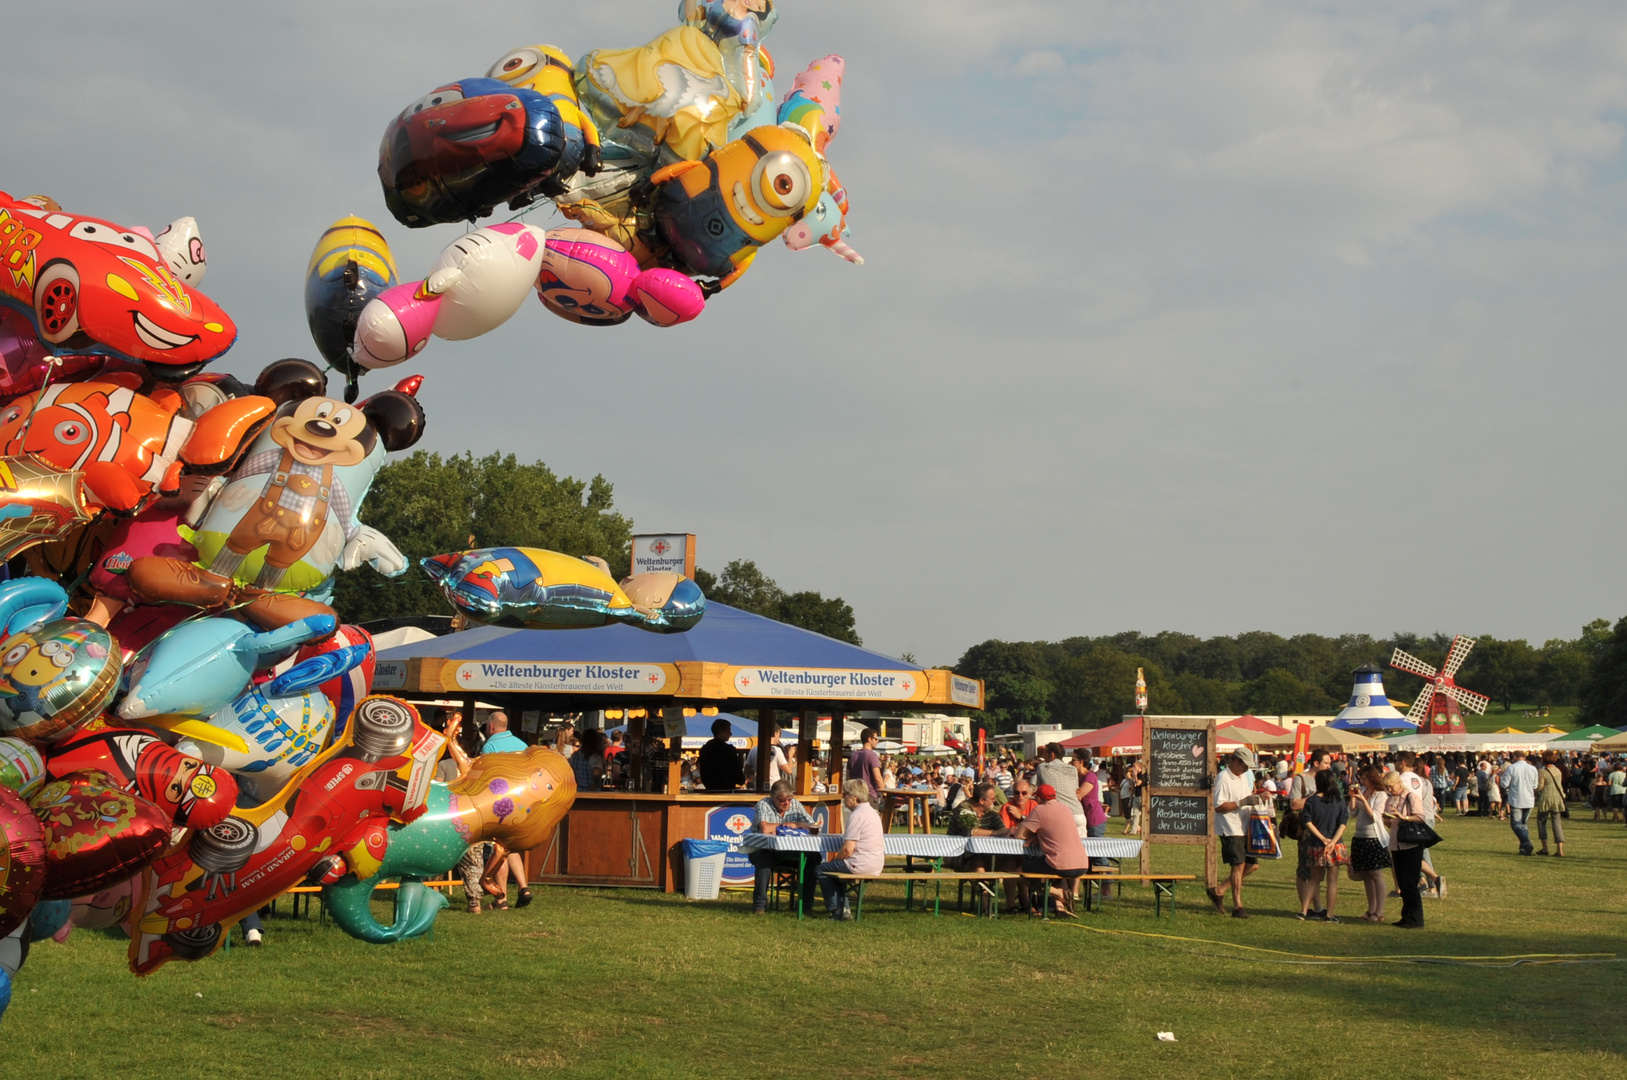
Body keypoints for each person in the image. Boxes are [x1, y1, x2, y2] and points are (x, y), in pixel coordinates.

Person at [1011, 783, 1090, 916]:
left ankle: (1058, 893)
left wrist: (1034, 834)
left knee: (1018, 874)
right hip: (1082, 863)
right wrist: (1038, 835)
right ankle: (1060, 908)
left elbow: (1020, 835)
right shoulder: (1066, 808)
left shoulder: (1040, 810)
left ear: (1039, 799)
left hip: (1059, 862)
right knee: (1059, 876)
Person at [749, 780, 820, 915]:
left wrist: (796, 824)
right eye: (782, 800)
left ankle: (806, 906)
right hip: (762, 849)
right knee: (765, 857)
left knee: (814, 857)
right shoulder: (763, 804)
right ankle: (759, 906)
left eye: (789, 799)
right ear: (773, 798)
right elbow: (765, 828)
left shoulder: (796, 804)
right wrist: (792, 824)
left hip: (787, 850)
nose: (787, 803)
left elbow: (812, 825)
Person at [816, 780, 885, 920]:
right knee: (836, 871)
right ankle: (844, 908)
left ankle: (836, 910)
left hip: (860, 863)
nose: (843, 797)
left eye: (845, 794)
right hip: (876, 863)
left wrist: (835, 859)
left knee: (820, 869)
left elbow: (847, 850)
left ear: (854, 797)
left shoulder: (857, 816)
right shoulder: (872, 812)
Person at [1210, 747, 1265, 919]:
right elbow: (1219, 806)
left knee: (1253, 865)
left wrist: (1259, 798)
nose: (1247, 769)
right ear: (1235, 761)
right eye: (1245, 765)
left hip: (1245, 825)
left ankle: (1219, 890)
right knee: (1238, 865)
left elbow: (1247, 798)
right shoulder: (1223, 778)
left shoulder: (1243, 777)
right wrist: (1242, 802)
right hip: (1230, 827)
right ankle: (1238, 906)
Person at [1296, 769, 1349, 922]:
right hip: (1335, 845)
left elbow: (1308, 821)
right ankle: (1329, 914)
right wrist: (1332, 842)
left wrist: (1322, 839)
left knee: (1314, 879)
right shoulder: (1339, 801)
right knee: (1332, 881)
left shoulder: (1312, 801)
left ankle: (1303, 911)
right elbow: (1343, 823)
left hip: (1316, 844)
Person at [1381, 770, 1427, 929]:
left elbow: (1421, 816)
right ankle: (1406, 916)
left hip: (1411, 843)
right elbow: (1388, 822)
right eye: (1387, 787)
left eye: (1391, 786)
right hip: (1396, 843)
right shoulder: (1390, 799)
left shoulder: (1410, 797)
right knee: (1401, 882)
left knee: (1409, 882)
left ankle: (1416, 919)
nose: (1389, 790)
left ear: (1398, 783)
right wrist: (1386, 819)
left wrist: (1404, 817)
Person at [1289, 751, 1331, 916]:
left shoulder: (1327, 780)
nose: (1329, 766)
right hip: (1307, 830)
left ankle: (1318, 907)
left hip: (1323, 828)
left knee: (1318, 870)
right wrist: (1315, 797)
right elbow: (1294, 804)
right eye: (1326, 763)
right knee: (1304, 870)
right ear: (1316, 763)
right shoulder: (1301, 779)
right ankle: (1305, 908)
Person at [1348, 764, 1392, 923]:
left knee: (1376, 873)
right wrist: (1353, 798)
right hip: (1360, 836)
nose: (1362, 781)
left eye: (1365, 778)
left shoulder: (1380, 795)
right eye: (1361, 778)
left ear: (1372, 778)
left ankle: (1379, 911)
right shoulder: (1363, 791)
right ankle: (1371, 908)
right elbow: (1352, 814)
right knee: (1365, 874)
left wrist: (1363, 800)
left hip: (1374, 837)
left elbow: (1375, 816)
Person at [1036, 743, 1085, 839]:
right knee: (1082, 848)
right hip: (1077, 812)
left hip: (1059, 813)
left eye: (1045, 753)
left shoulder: (1042, 768)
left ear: (1051, 755)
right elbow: (1075, 790)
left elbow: (1041, 790)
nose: (1043, 756)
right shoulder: (1072, 769)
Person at [1075, 755, 1110, 872]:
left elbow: (1079, 795)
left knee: (1097, 853)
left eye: (1073, 760)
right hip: (1086, 819)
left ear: (1081, 762)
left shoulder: (1090, 776)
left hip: (1095, 819)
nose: (1070, 762)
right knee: (1088, 855)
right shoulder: (1080, 777)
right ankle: (1091, 884)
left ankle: (1106, 884)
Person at [1502, 750, 1539, 855]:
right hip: (1529, 799)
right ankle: (1523, 848)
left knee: (1515, 824)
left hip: (1516, 798)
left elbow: (1504, 784)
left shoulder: (1512, 768)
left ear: (1515, 757)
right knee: (1523, 825)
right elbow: (1535, 786)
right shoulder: (1532, 769)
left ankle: (1526, 843)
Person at [1536, 750, 1567, 857]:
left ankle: (1545, 848)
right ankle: (1560, 849)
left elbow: (1540, 786)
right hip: (1558, 798)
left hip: (1546, 798)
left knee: (1541, 822)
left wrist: (1534, 790)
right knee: (1557, 824)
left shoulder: (1542, 771)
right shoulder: (1558, 770)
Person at [698, 718, 744, 791]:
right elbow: (737, 775)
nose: (731, 734)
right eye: (729, 730)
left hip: (709, 790)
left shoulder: (705, 749)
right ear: (721, 732)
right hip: (727, 791)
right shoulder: (728, 751)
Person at [743, 725, 788, 790]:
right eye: (779, 735)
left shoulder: (753, 749)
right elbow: (788, 770)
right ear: (775, 734)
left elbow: (746, 770)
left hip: (758, 785)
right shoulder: (777, 750)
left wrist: (755, 772)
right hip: (775, 787)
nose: (779, 738)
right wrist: (790, 755)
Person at [847, 728, 884, 802]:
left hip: (856, 795)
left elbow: (848, 778)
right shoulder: (872, 755)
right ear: (869, 739)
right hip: (869, 795)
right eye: (876, 739)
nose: (877, 741)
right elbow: (878, 778)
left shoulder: (853, 755)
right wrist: (884, 792)